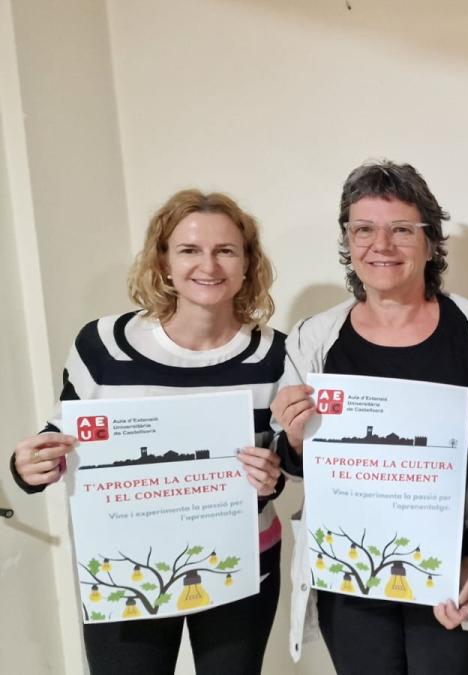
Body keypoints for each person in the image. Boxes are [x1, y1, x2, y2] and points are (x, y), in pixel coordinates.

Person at [9, 189, 288, 675]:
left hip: (241, 562)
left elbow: (285, 458)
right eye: (189, 250)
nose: (209, 265)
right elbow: (65, 433)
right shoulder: (101, 345)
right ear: (163, 261)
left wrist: (274, 478)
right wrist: (29, 466)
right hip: (124, 564)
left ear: (248, 263)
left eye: (226, 250)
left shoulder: (278, 354)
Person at [269, 160, 468, 674]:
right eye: (364, 229)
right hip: (351, 570)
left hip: (450, 571)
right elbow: (292, 466)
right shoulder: (313, 339)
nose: (380, 245)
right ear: (348, 241)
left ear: (431, 242)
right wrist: (294, 441)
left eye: (401, 229)